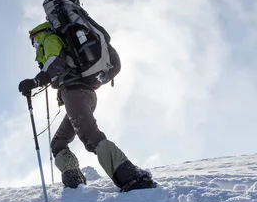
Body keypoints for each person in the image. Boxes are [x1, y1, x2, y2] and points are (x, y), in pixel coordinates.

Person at [18, 20, 156, 192]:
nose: (36, 46)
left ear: (39, 34)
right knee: (58, 144)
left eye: (35, 42)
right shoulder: (59, 41)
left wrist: (35, 81)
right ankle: (74, 182)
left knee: (91, 137)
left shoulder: (49, 39)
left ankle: (132, 178)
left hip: (74, 92)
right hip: (83, 94)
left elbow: (55, 63)